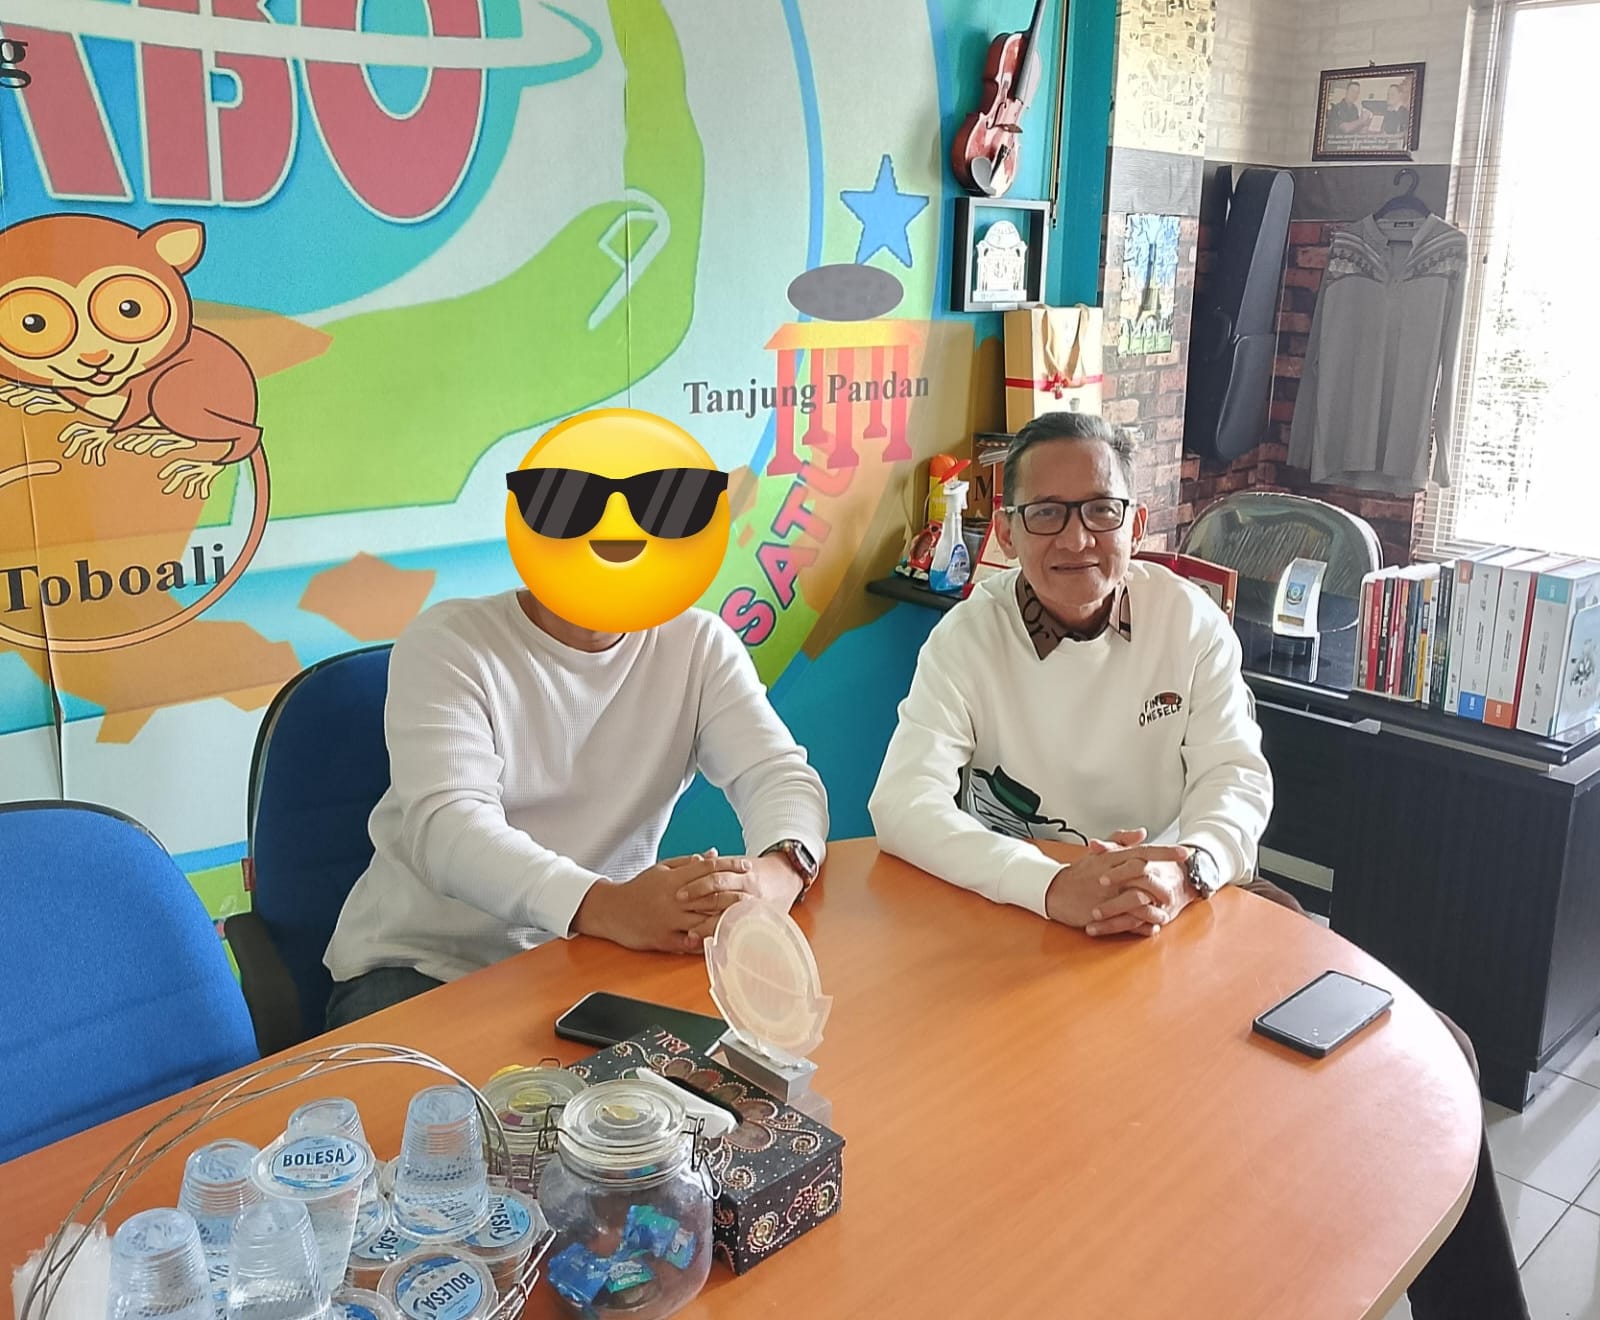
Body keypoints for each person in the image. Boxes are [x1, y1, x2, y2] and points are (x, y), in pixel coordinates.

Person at [868, 411, 1528, 1320]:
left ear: (1136, 523)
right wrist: (1051, 884)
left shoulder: (1186, 617)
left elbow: (1234, 776)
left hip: (1194, 903)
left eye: (1100, 509)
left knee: (1431, 1052)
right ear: (1009, 531)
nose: (1076, 537)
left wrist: (1185, 867)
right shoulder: (965, 639)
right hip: (1023, 916)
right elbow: (901, 804)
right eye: (1047, 513)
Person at [322, 587, 829, 1027]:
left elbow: (777, 773)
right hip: (428, 968)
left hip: (592, 956)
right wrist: (609, 906)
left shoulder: (698, 644)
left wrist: (778, 873)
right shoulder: (450, 642)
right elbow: (449, 829)